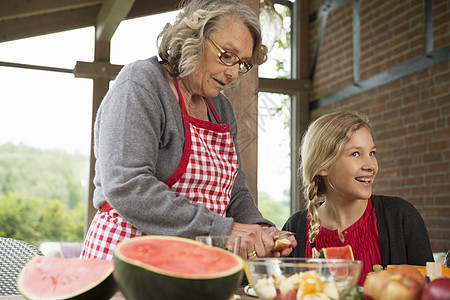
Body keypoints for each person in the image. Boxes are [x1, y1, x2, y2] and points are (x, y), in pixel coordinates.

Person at [80, 0, 296, 261]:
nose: (233, 74)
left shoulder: (221, 109)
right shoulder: (141, 83)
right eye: (227, 55)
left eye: (241, 64)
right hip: (126, 260)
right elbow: (128, 185)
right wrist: (223, 231)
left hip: (189, 264)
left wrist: (260, 230)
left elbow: (234, 193)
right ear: (193, 38)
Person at [282, 111, 434, 285]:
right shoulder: (295, 227)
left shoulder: (402, 217)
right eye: (355, 154)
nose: (371, 166)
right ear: (323, 165)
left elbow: (428, 290)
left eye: (372, 153)